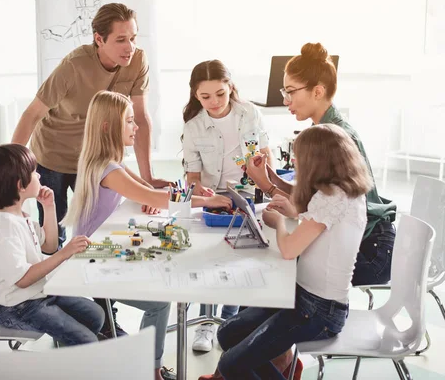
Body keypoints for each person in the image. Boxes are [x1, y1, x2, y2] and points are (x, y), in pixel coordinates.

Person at [62, 90, 232, 380]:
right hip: (91, 261)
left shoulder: (109, 161)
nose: (136, 127)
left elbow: (153, 191)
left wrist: (186, 193)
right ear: (107, 127)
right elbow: (155, 198)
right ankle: (150, 371)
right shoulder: (107, 168)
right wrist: (208, 201)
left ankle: (147, 364)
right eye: (129, 121)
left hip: (99, 252)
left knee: (163, 260)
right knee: (160, 301)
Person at [200, 123, 373, 380]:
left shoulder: (333, 197)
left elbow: (289, 249)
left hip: (318, 311)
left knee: (230, 365)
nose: (294, 161)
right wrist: (287, 205)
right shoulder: (341, 191)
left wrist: (279, 223)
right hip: (305, 298)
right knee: (227, 333)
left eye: (298, 157)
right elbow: (317, 222)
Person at [11, 2, 171, 246]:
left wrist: (146, 178)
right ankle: (52, 279)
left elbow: (140, 117)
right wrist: (14, 168)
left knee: (98, 223)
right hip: (53, 154)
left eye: (133, 38)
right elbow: (32, 114)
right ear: (99, 39)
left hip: (92, 157)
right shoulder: (73, 66)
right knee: (55, 231)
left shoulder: (137, 61)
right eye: (120, 39)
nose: (129, 47)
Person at [245, 42, 397, 287]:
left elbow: (317, 205)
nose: (286, 100)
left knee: (275, 271)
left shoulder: (335, 138)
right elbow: (318, 199)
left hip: (371, 250)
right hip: (362, 241)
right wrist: (271, 177)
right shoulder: (322, 129)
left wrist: (267, 186)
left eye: (291, 92)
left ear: (317, 91)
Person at [182, 59, 274, 352]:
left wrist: (262, 177)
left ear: (230, 87)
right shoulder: (194, 126)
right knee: (210, 260)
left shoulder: (248, 113)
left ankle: (229, 324)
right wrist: (204, 194)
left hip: (246, 192)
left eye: (220, 94)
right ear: (195, 94)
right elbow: (193, 178)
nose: (214, 102)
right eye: (205, 96)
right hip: (213, 198)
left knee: (238, 260)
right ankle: (207, 324)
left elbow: (261, 153)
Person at [0, 144, 104, 346]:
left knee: (95, 316)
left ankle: (72, 350)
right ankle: (76, 358)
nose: (39, 176)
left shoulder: (19, 216)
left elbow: (50, 246)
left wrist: (49, 208)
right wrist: (65, 253)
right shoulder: (6, 227)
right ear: (21, 185)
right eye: (34, 172)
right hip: (15, 308)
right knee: (86, 339)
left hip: (37, 295)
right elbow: (23, 279)